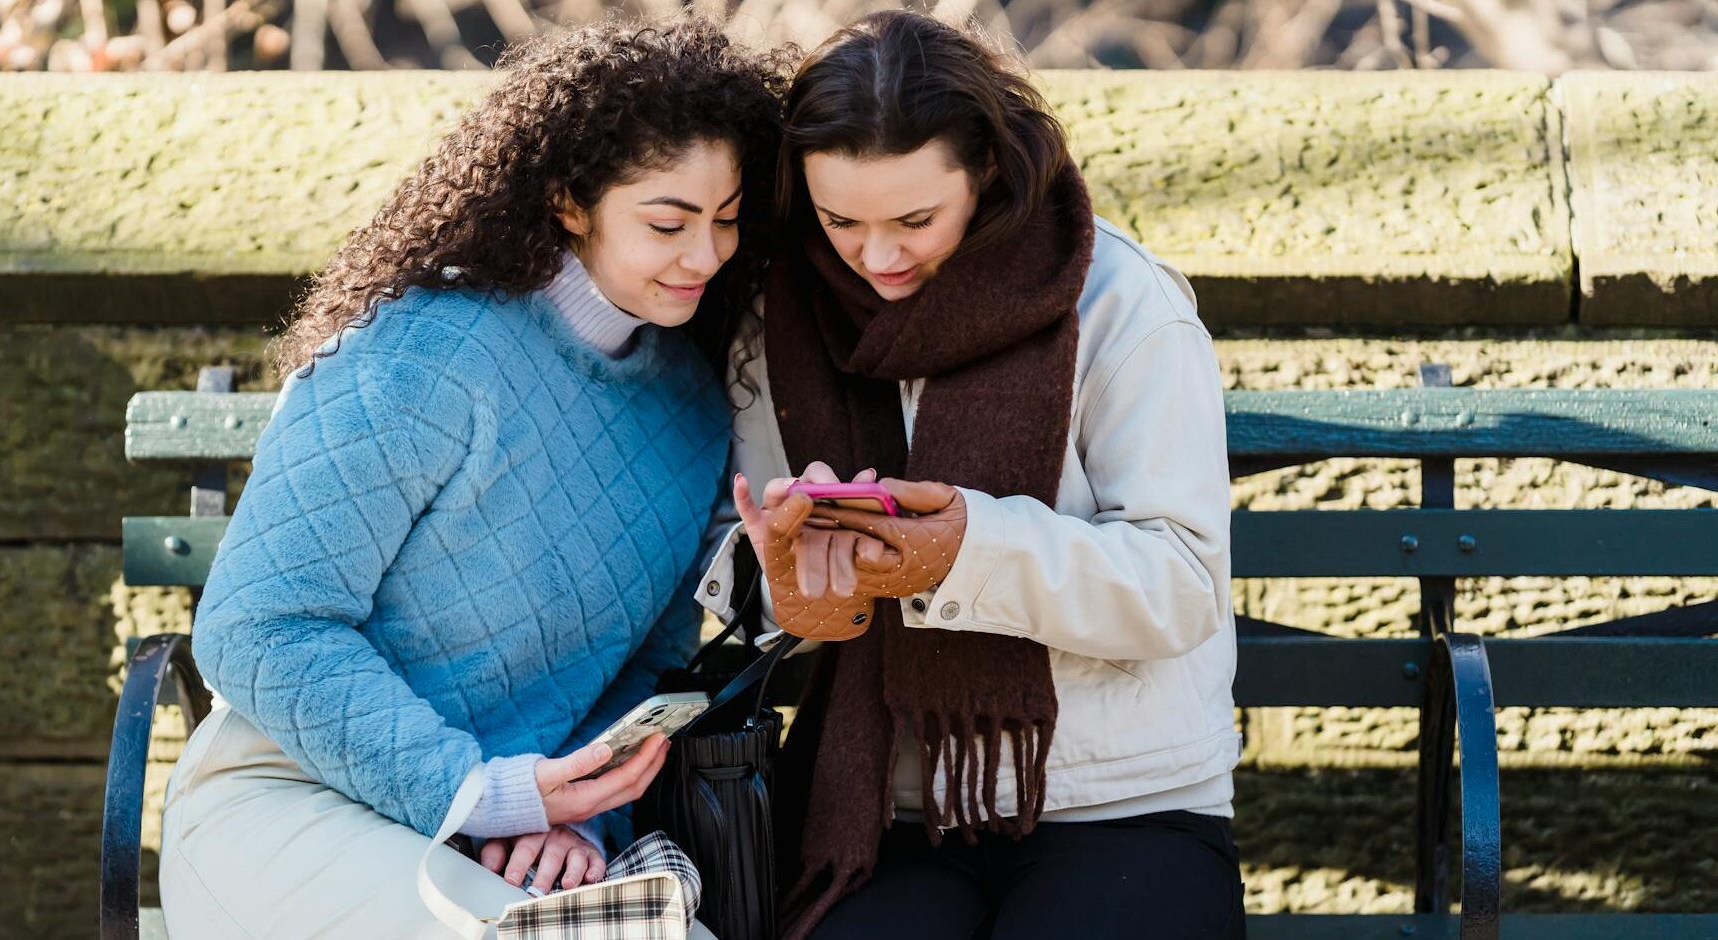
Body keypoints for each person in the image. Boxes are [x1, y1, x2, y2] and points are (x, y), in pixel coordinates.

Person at [157, 19, 788, 937]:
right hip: (287, 800)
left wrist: (576, 816)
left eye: (726, 221)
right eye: (668, 222)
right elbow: (259, 628)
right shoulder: (421, 352)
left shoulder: (691, 413)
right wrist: (476, 793)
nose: (705, 255)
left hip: (506, 838)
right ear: (571, 202)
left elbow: (643, 671)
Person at [702, 11, 1248, 938]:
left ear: (988, 171)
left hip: (1123, 799)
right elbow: (742, 553)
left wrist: (963, 554)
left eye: (917, 219)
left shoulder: (1120, 303)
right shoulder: (777, 315)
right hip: (882, 807)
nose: (878, 258)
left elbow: (1182, 583)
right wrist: (784, 588)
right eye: (842, 221)